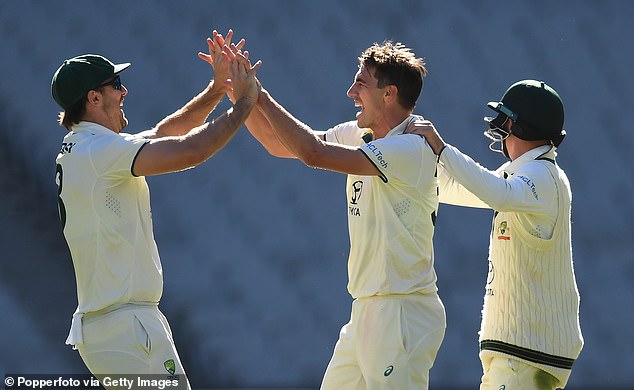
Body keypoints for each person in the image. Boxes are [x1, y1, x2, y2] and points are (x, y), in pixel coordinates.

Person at [231, 40, 446, 389]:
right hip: (366, 310)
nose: (351, 92)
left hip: (402, 311)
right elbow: (277, 142)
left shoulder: (410, 148)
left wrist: (260, 95)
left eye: (361, 83)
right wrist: (240, 94)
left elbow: (312, 153)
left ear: (389, 94)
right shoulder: (359, 134)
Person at [52, 30, 260, 389]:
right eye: (116, 84)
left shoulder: (88, 147)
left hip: (111, 326)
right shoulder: (98, 152)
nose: (124, 92)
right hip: (126, 326)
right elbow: (190, 151)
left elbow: (166, 132)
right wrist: (244, 103)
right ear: (93, 97)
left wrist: (216, 89)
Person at [406, 80, 583, 389]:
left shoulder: (543, 178)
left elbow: (495, 192)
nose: (500, 130)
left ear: (521, 127)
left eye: (506, 122)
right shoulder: (523, 174)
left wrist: (443, 150)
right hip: (518, 353)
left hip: (528, 353)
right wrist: (405, 167)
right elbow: (459, 188)